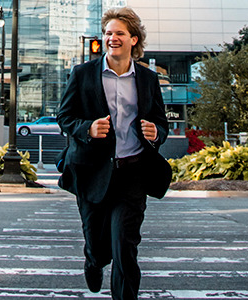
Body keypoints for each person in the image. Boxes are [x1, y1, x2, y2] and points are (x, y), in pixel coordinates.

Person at [56, 7, 171, 300]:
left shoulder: (147, 79)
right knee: (98, 243)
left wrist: (156, 132)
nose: (112, 38)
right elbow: (64, 117)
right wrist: (87, 129)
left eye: (119, 33)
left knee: (125, 248)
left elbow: (160, 121)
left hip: (132, 172)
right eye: (108, 33)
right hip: (92, 170)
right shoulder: (83, 74)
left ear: (134, 39)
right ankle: (93, 260)